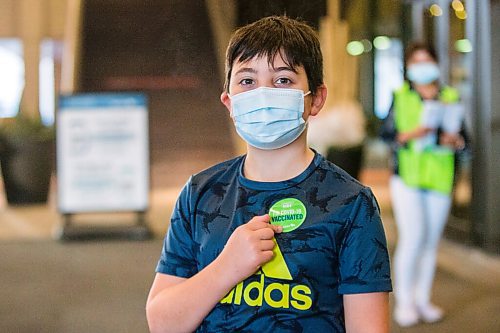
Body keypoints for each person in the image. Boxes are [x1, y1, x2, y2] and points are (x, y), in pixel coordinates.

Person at [146, 16, 392, 333]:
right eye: (247, 81)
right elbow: (162, 323)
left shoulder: (352, 204)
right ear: (229, 102)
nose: (263, 94)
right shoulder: (200, 193)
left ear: (315, 99)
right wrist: (227, 266)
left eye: (283, 80)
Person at [380, 42, 465, 327]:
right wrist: (412, 133)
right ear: (409, 66)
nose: (422, 66)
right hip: (408, 177)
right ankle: (404, 303)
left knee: (430, 242)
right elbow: (386, 135)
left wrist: (455, 140)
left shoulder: (450, 96)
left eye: (426, 59)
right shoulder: (400, 96)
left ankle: (423, 299)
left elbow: (466, 140)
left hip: (440, 177)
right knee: (413, 237)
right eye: (416, 61)